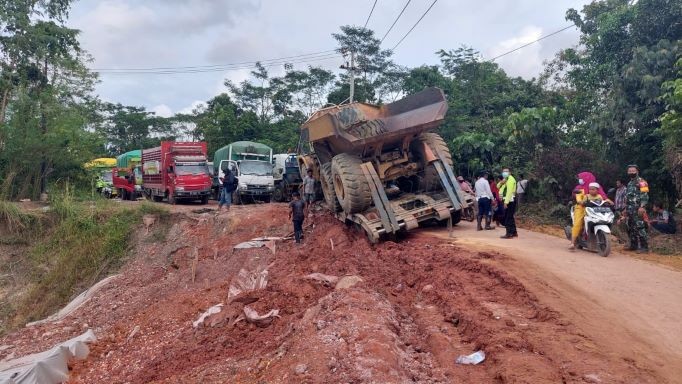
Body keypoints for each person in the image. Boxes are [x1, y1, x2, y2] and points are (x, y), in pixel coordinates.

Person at [569, 172, 607, 249]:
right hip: (581, 207)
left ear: (586, 178)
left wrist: (607, 201)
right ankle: (572, 243)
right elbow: (577, 197)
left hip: (594, 208)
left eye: (581, 178)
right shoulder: (579, 187)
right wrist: (580, 201)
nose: (580, 180)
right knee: (578, 223)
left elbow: (603, 196)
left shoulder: (596, 187)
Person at [621, 164, 650, 253]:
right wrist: (625, 209)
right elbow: (627, 197)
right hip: (630, 209)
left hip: (638, 209)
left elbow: (645, 195)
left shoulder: (642, 182)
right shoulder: (629, 183)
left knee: (640, 227)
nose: (631, 172)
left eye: (633, 171)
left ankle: (645, 247)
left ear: (637, 171)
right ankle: (633, 245)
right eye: (629, 171)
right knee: (631, 227)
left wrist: (642, 206)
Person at [497, 167, 517, 239]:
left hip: (510, 200)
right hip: (507, 200)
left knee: (507, 217)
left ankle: (508, 234)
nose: (505, 172)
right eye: (503, 171)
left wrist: (506, 202)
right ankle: (514, 232)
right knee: (510, 217)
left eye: (506, 171)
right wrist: (501, 182)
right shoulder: (506, 179)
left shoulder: (511, 180)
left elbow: (509, 192)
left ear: (510, 172)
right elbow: (498, 186)